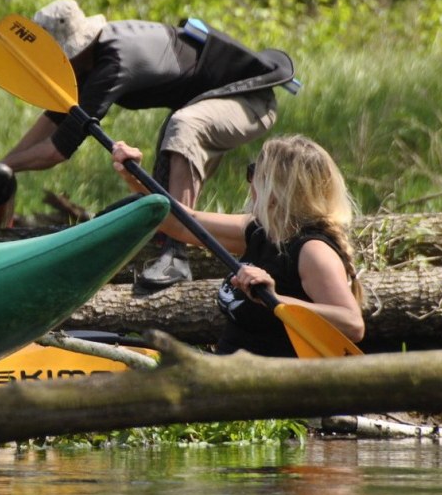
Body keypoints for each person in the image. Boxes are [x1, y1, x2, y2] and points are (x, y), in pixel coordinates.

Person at [0, 0, 296, 288]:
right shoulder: (91, 57)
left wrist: (6, 166)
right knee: (170, 154)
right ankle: (166, 241)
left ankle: (177, 253)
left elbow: (57, 149)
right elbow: (56, 115)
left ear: (77, 47)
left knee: (184, 126)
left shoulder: (113, 63)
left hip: (250, 101)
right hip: (204, 102)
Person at [111, 134, 364, 356]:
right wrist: (133, 175)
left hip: (268, 389)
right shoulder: (260, 231)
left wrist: (275, 299)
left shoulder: (313, 252)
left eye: (253, 172)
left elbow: (352, 324)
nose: (249, 182)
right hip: (228, 371)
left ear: (276, 188)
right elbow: (181, 223)